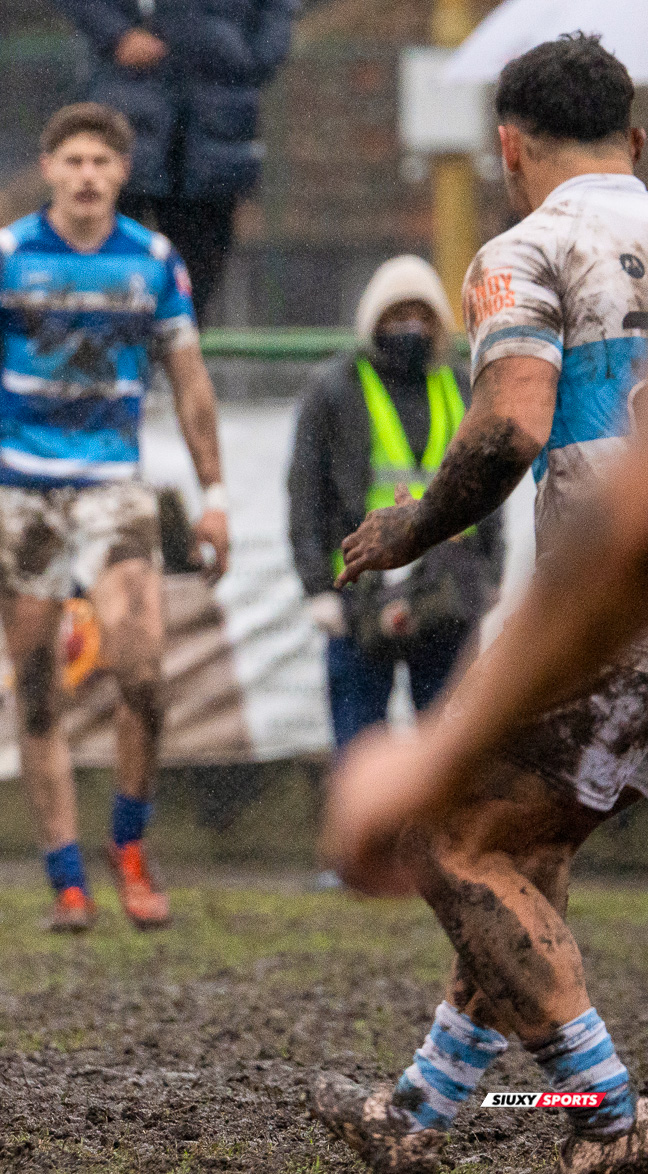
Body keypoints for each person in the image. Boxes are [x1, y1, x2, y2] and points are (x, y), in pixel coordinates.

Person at [307, 35, 648, 1174]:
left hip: (621, 608)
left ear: (508, 149)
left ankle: (608, 1114)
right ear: (635, 140)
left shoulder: (530, 247)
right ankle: (419, 1109)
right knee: (517, 849)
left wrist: (412, 524)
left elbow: (509, 425)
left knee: (442, 831)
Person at [0, 102, 229, 935]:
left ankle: (128, 845)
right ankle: (66, 880)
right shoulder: (3, 255)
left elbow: (191, 380)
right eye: (72, 161)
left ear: (122, 173)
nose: (87, 176)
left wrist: (214, 496)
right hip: (21, 491)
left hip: (113, 489)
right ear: (48, 170)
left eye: (101, 162)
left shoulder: (152, 261)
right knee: (39, 697)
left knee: (144, 672)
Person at [287, 256, 502, 756]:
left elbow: (490, 483)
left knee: (450, 754)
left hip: (449, 592)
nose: (411, 327)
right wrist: (317, 587)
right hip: (358, 593)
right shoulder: (333, 389)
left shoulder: (464, 386)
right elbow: (306, 494)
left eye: (422, 315)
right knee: (360, 753)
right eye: (397, 315)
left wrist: (490, 572)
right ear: (373, 320)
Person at [53, 0, 298, 320]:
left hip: (216, 132)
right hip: (130, 116)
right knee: (102, 285)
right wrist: (116, 35)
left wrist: (246, 55)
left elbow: (277, 15)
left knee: (192, 298)